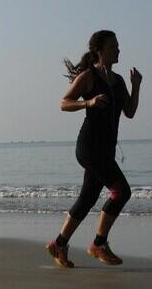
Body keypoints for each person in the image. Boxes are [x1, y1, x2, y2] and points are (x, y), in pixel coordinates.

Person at [47, 30, 141, 268]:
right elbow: (63, 102)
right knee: (121, 191)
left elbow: (129, 112)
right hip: (89, 147)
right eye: (114, 46)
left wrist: (136, 86)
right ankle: (99, 243)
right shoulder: (89, 77)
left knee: (87, 198)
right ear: (100, 51)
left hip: (106, 149)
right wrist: (87, 102)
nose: (118, 50)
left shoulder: (118, 81)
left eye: (118, 46)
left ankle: (59, 244)